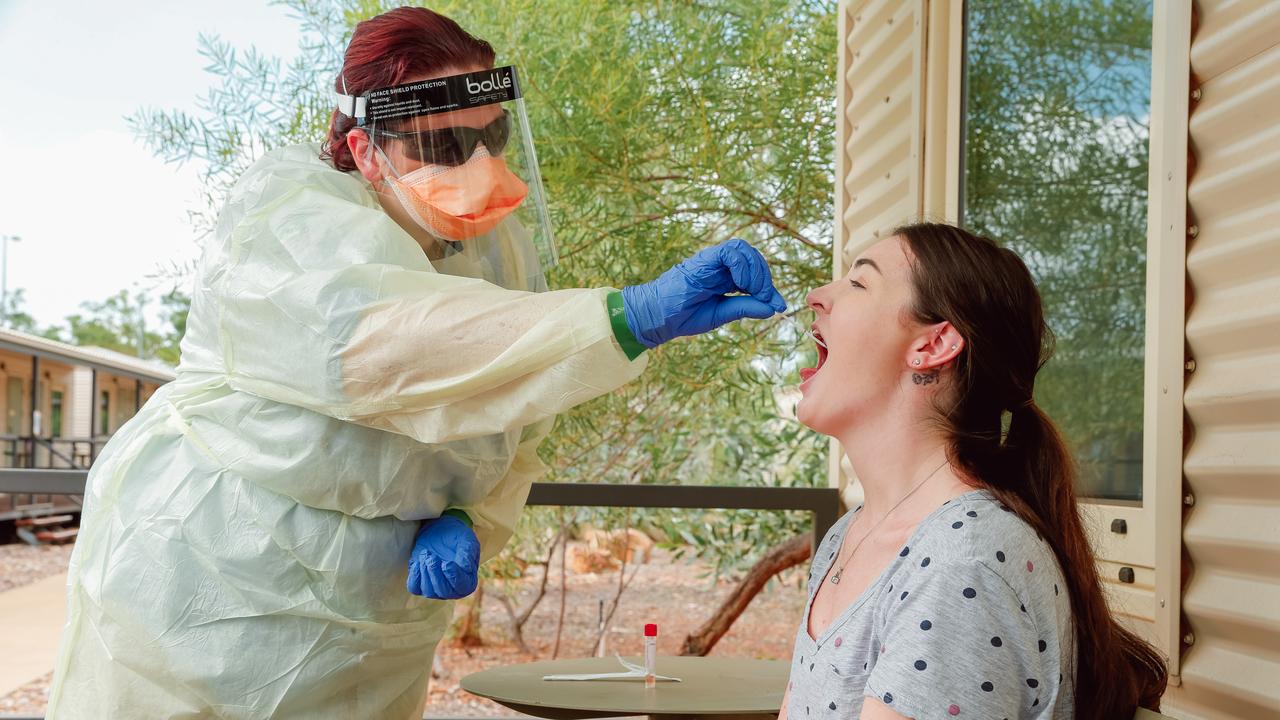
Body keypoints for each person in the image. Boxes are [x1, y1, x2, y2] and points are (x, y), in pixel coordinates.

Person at [46, 8, 785, 719]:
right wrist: (624, 318)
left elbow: (513, 408)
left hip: (371, 611)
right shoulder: (284, 218)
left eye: (491, 137)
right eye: (442, 148)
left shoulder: (499, 247)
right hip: (211, 576)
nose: (480, 168)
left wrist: (469, 511)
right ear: (366, 150)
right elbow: (383, 349)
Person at [779, 223, 1166, 720]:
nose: (816, 296)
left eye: (859, 283)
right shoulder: (847, 537)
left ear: (933, 345)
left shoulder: (964, 563)